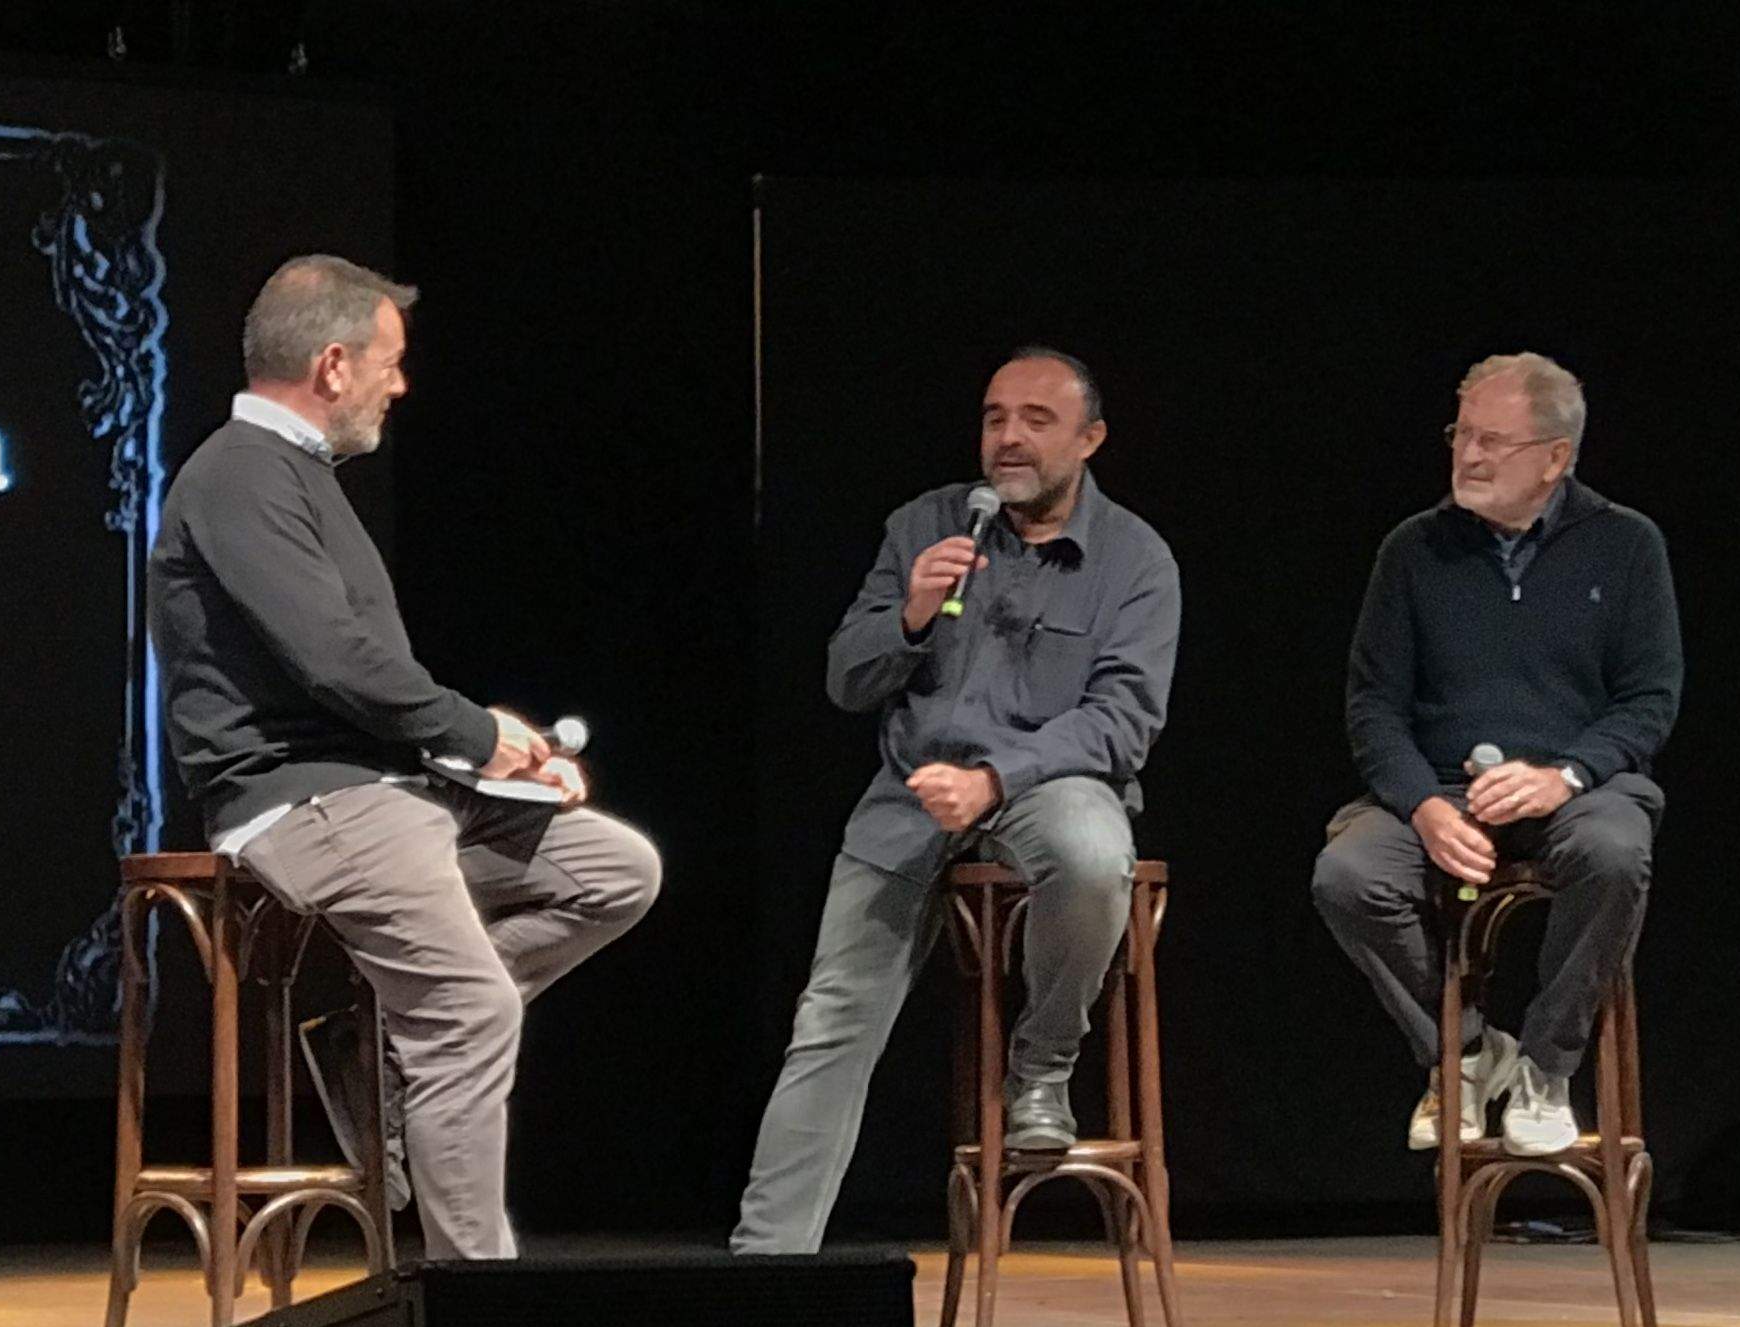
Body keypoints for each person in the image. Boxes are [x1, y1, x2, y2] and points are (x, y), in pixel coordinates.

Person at [147, 255, 661, 1263]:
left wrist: (492, 764)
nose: (401, 382)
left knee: (616, 869)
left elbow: (363, 674)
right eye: (390, 361)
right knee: (467, 1011)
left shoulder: (300, 476)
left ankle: (372, 1041)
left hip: (385, 789)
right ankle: (478, 1303)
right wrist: (477, 733)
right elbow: (333, 662)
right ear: (333, 365)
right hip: (302, 802)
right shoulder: (238, 475)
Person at [733, 350, 1180, 1253]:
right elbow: (846, 680)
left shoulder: (1134, 559)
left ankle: (1044, 1064)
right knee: (830, 1018)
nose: (1008, 437)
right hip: (910, 794)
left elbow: (1122, 722)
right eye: (994, 417)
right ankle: (768, 1260)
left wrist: (996, 779)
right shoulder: (925, 526)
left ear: (1090, 439)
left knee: (1094, 855)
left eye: (1035, 420)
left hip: (1045, 784)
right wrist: (909, 613)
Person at [1309, 352, 1682, 1159]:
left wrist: (1564, 775)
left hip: (1575, 785)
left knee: (1615, 851)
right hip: (1442, 787)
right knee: (1349, 875)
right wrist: (1425, 806)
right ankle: (1471, 1053)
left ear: (1555, 457)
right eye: (1462, 435)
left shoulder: (1625, 545)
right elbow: (1373, 706)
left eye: (1493, 441)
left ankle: (1547, 1067)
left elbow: (1649, 700)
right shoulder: (1413, 550)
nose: (1469, 456)